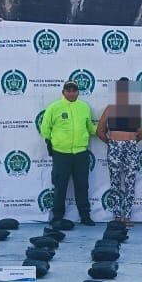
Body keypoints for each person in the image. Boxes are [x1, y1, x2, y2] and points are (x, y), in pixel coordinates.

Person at [39, 81, 97, 225]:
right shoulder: (54, 107)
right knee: (60, 186)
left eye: (74, 90)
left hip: (80, 153)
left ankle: (85, 216)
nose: (71, 93)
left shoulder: (84, 107)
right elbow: (45, 128)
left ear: (78, 92)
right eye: (68, 90)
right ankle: (58, 216)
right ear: (63, 91)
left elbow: (89, 128)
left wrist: (105, 131)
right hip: (61, 154)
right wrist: (50, 142)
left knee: (82, 185)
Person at [97, 78, 142, 226]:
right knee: (115, 182)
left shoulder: (134, 110)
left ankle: (127, 217)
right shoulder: (110, 108)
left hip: (130, 147)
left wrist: (131, 142)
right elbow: (99, 131)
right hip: (115, 148)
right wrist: (112, 143)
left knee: (130, 182)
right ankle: (117, 216)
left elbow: (141, 132)